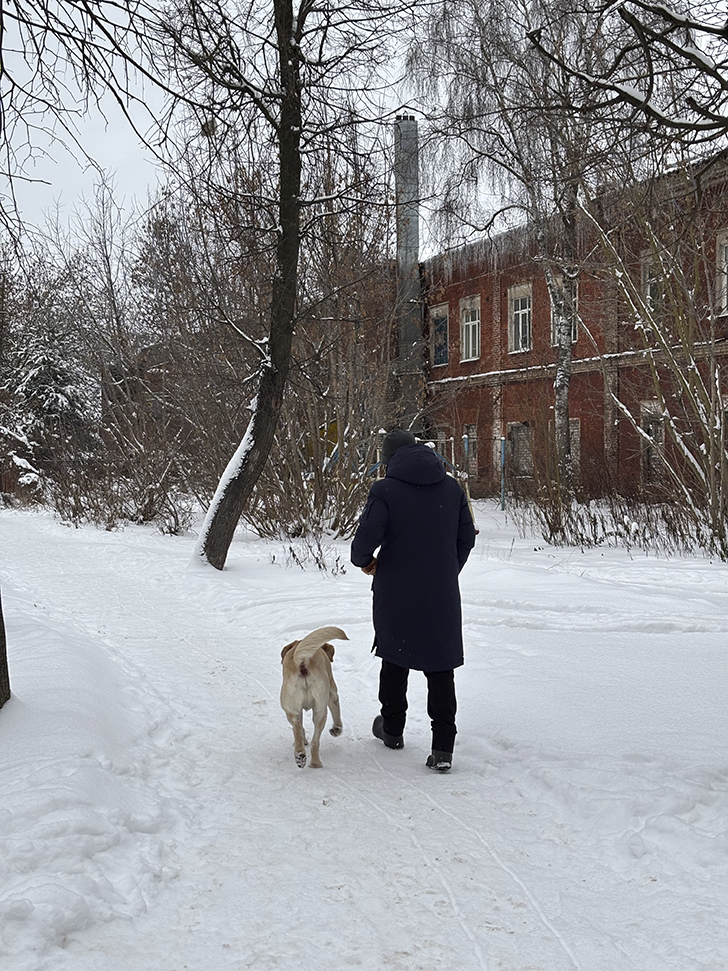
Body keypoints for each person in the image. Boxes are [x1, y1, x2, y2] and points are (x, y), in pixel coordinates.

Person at [351, 428, 476, 772]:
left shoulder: (385, 490)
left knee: (395, 656)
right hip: (441, 592)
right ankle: (443, 747)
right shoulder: (451, 488)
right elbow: (466, 538)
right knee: (441, 666)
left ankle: (392, 730)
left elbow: (364, 541)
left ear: (388, 459)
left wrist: (366, 563)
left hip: (396, 590)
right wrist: (447, 570)